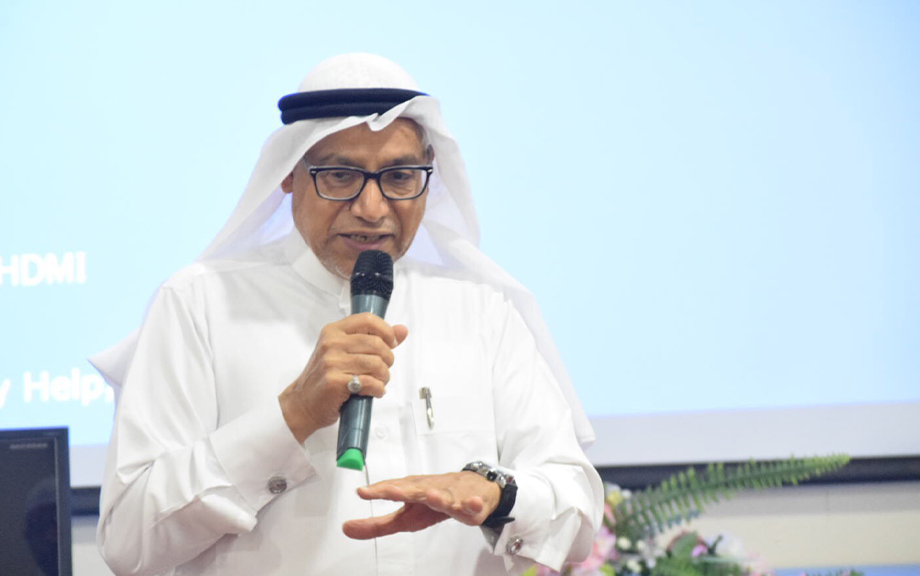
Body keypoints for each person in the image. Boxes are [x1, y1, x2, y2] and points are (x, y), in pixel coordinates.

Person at [91, 53, 604, 576]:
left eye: (400, 176)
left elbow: (577, 512)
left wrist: (496, 493)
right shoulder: (200, 304)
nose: (372, 208)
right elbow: (129, 541)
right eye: (340, 176)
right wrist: (293, 414)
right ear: (288, 174)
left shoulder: (480, 310)